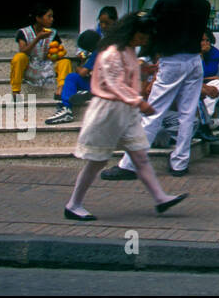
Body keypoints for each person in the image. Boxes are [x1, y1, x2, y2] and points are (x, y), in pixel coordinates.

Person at [62, 11, 188, 221]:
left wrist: (143, 71)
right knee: (96, 161)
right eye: (142, 35)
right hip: (108, 112)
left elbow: (124, 79)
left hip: (125, 111)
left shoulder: (128, 50)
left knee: (140, 156)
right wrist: (138, 101)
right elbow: (115, 85)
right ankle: (73, 204)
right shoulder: (112, 53)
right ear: (131, 32)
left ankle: (160, 198)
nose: (144, 39)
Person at [101, 0, 209, 180]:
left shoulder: (165, 2)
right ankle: (180, 163)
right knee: (187, 114)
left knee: (154, 112)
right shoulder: (204, 4)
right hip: (194, 61)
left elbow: (153, 30)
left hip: (172, 61)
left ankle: (130, 165)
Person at [46, 6, 118, 125]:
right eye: (101, 23)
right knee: (74, 78)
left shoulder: (104, 45)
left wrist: (79, 68)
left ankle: (66, 108)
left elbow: (83, 72)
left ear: (115, 22)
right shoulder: (105, 38)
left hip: (108, 85)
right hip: (101, 81)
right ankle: (82, 94)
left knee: (72, 77)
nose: (103, 26)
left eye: (107, 23)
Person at [10, 3, 75, 105]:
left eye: (52, 16)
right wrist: (38, 38)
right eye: (49, 16)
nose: (52, 19)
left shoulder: (52, 32)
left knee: (65, 62)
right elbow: (23, 50)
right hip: (30, 66)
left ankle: (60, 89)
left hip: (47, 66)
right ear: (38, 18)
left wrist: (58, 54)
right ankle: (16, 91)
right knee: (19, 57)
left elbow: (56, 52)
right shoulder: (23, 32)